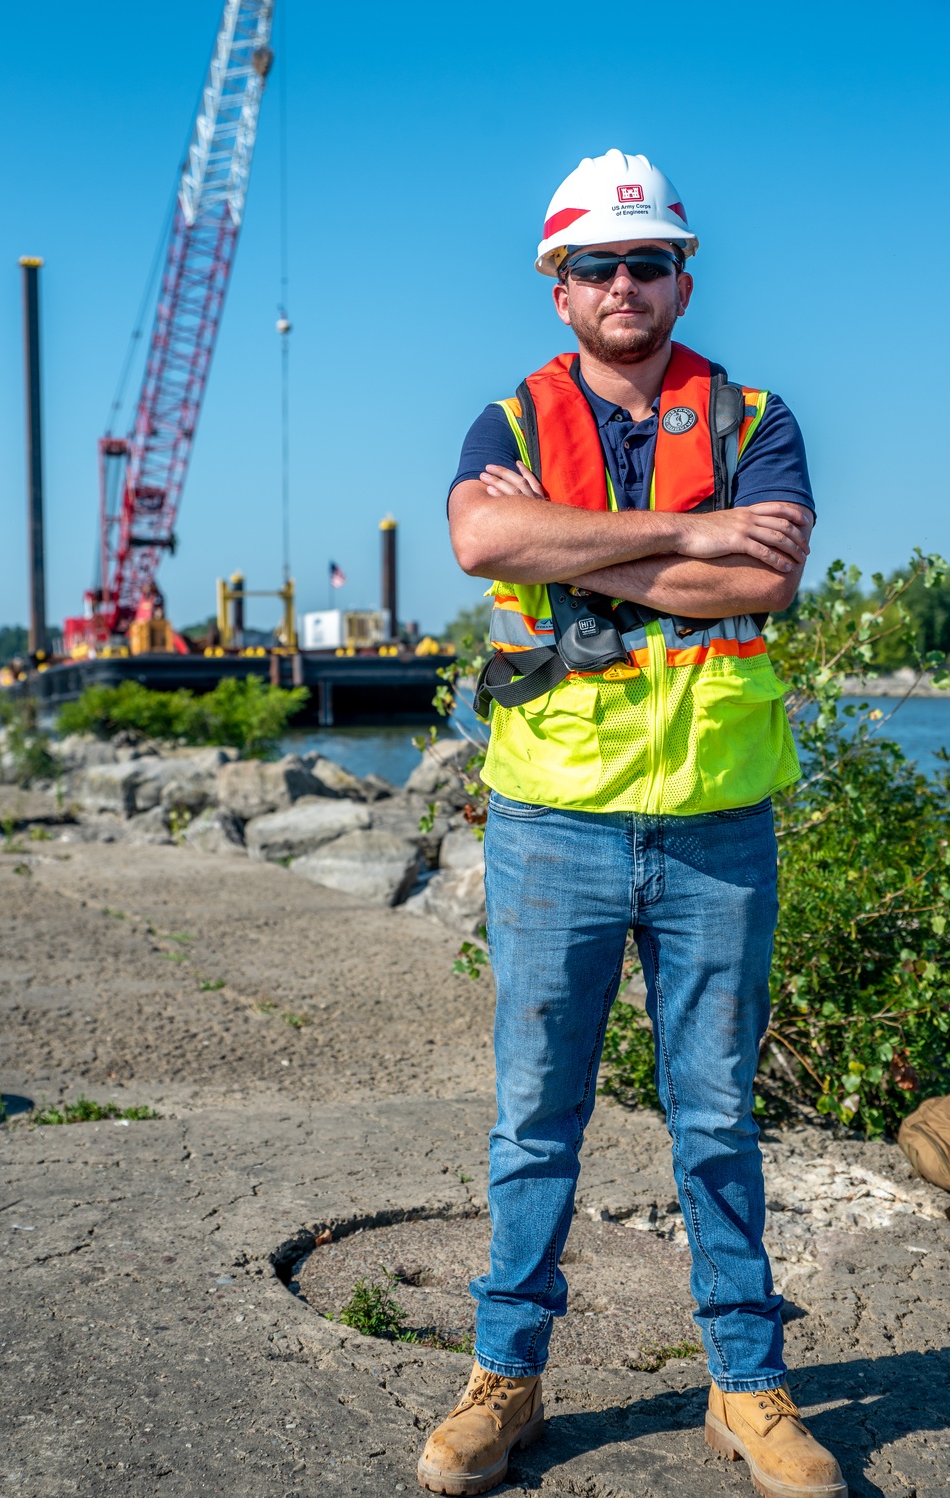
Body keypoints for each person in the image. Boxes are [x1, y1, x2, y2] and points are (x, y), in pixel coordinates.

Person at [418, 151, 846, 1498]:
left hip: (718, 822)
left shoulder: (756, 413)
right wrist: (685, 535)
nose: (622, 283)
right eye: (596, 265)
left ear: (682, 276)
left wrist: (584, 541)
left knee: (716, 1111)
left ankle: (748, 1382)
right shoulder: (508, 417)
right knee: (535, 1114)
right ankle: (507, 1376)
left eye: (645, 261)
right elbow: (485, 546)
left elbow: (768, 562)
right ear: (560, 290)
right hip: (556, 821)